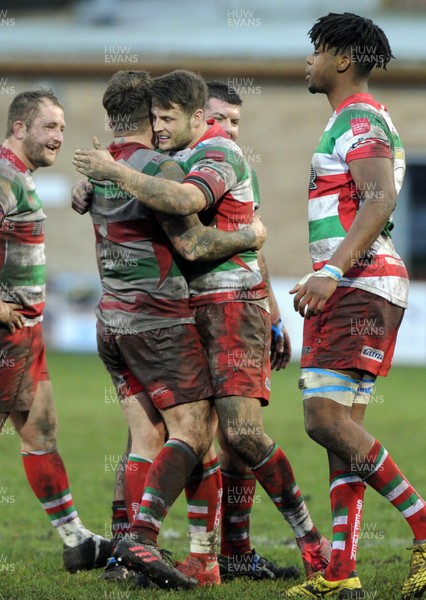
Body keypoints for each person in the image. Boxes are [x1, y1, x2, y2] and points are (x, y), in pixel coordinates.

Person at [73, 68, 331, 583]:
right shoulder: (170, 158)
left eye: (168, 118)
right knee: (192, 434)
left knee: (239, 433)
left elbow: (190, 217)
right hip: (186, 311)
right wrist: (94, 181)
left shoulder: (216, 154)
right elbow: (159, 198)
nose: (230, 128)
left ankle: (309, 540)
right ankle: (202, 554)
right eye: (156, 118)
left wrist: (113, 172)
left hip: (232, 307)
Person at [283, 13, 426, 599]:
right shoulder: (352, 119)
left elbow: (380, 196)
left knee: (323, 420)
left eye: (314, 51)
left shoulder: (360, 117)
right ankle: (341, 576)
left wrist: (331, 271)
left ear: (341, 59)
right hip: (361, 284)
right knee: (344, 436)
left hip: (357, 284)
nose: (307, 62)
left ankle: (423, 526)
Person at [0, 90, 112, 575]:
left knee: (40, 431)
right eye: (49, 127)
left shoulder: (18, 175)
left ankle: (76, 540)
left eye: (63, 128)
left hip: (21, 331)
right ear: (19, 128)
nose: (59, 137)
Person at [204, 80, 298, 581]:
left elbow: (252, 249)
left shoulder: (241, 169)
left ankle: (234, 552)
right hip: (196, 314)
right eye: (221, 119)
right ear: (198, 117)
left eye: (237, 122)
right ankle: (134, 545)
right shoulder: (184, 168)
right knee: (178, 435)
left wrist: (275, 313)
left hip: (244, 312)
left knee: (236, 436)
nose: (231, 131)